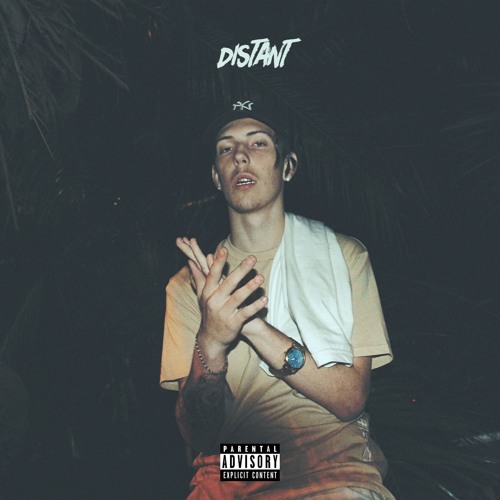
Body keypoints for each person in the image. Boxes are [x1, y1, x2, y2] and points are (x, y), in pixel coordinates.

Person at [160, 99, 395, 499]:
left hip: (332, 467)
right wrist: (211, 342)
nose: (240, 156)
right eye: (225, 148)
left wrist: (252, 327)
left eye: (258, 143)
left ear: (288, 166)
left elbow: (349, 399)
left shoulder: (344, 257)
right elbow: (198, 434)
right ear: (216, 176)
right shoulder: (189, 285)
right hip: (237, 469)